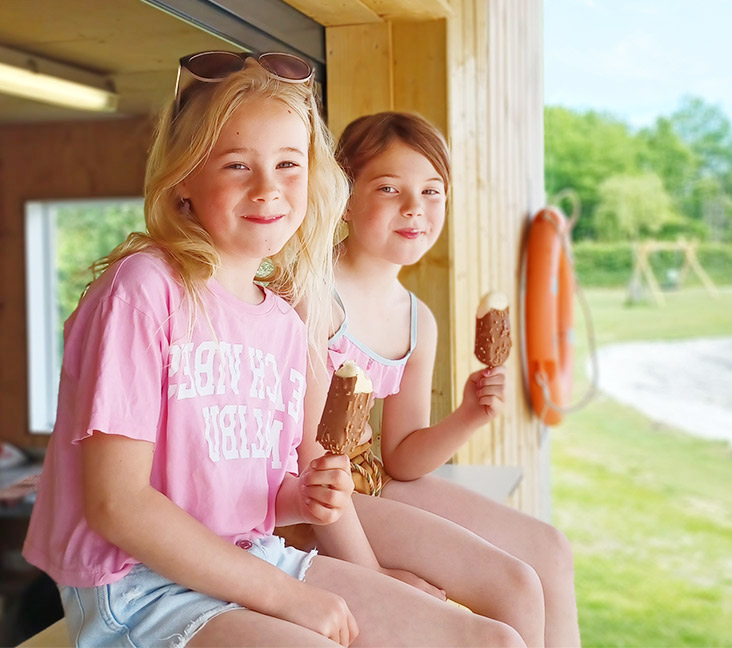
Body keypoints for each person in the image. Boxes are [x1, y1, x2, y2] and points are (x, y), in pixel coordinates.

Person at [21, 56, 521, 648]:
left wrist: (304, 496)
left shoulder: (283, 322)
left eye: (289, 164)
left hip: (253, 557)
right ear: (183, 177)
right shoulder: (145, 288)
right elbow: (117, 506)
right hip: (142, 589)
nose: (268, 189)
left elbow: (255, 490)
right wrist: (290, 598)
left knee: (492, 641)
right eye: (237, 165)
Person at [290, 111, 581, 648]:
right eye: (389, 188)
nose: (415, 209)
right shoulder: (312, 299)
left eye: (432, 191)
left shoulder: (418, 319)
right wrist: (374, 578)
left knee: (550, 551)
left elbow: (402, 456)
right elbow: (313, 468)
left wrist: (469, 414)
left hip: (374, 480)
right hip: (310, 501)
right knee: (514, 586)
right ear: (345, 197)